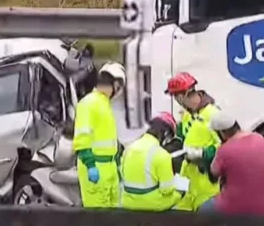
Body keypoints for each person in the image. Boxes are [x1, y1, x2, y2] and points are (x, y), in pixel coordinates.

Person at [165, 72, 222, 211]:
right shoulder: (187, 115)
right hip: (187, 180)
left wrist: (202, 154)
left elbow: (225, 148)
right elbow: (181, 139)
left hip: (206, 183)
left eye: (175, 97)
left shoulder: (213, 114)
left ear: (181, 96)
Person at [73, 61, 126, 208]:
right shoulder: (88, 103)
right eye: (118, 86)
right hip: (95, 167)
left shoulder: (104, 104)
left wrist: (115, 163)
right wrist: (90, 165)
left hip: (108, 168)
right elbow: (82, 138)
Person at [198, 111, 264, 215]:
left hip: (234, 207)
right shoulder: (260, 139)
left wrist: (204, 160)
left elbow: (213, 174)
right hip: (263, 208)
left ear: (222, 132)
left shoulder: (224, 150)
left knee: (203, 210)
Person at [120, 112, 183, 211]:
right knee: (179, 191)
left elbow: (123, 175)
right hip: (151, 204)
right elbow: (166, 190)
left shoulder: (129, 148)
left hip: (127, 201)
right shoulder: (162, 155)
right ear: (166, 134)